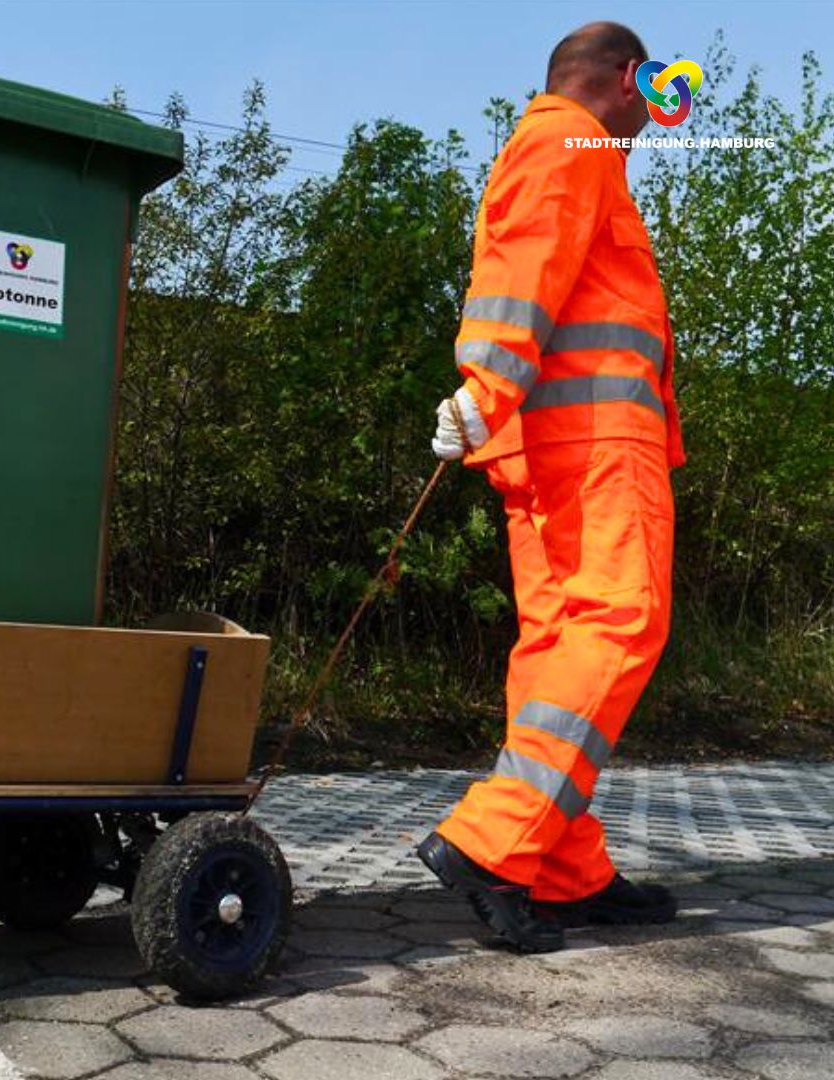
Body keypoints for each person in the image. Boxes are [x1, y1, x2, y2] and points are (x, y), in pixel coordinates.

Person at [417, 21, 687, 953]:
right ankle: (493, 843)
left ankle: (560, 867)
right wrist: (486, 386)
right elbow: (517, 279)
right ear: (627, 78)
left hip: (551, 444)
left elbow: (525, 277)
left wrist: (492, 403)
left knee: (559, 649)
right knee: (624, 620)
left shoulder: (555, 146)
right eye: (651, 88)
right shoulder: (572, 141)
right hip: (595, 444)